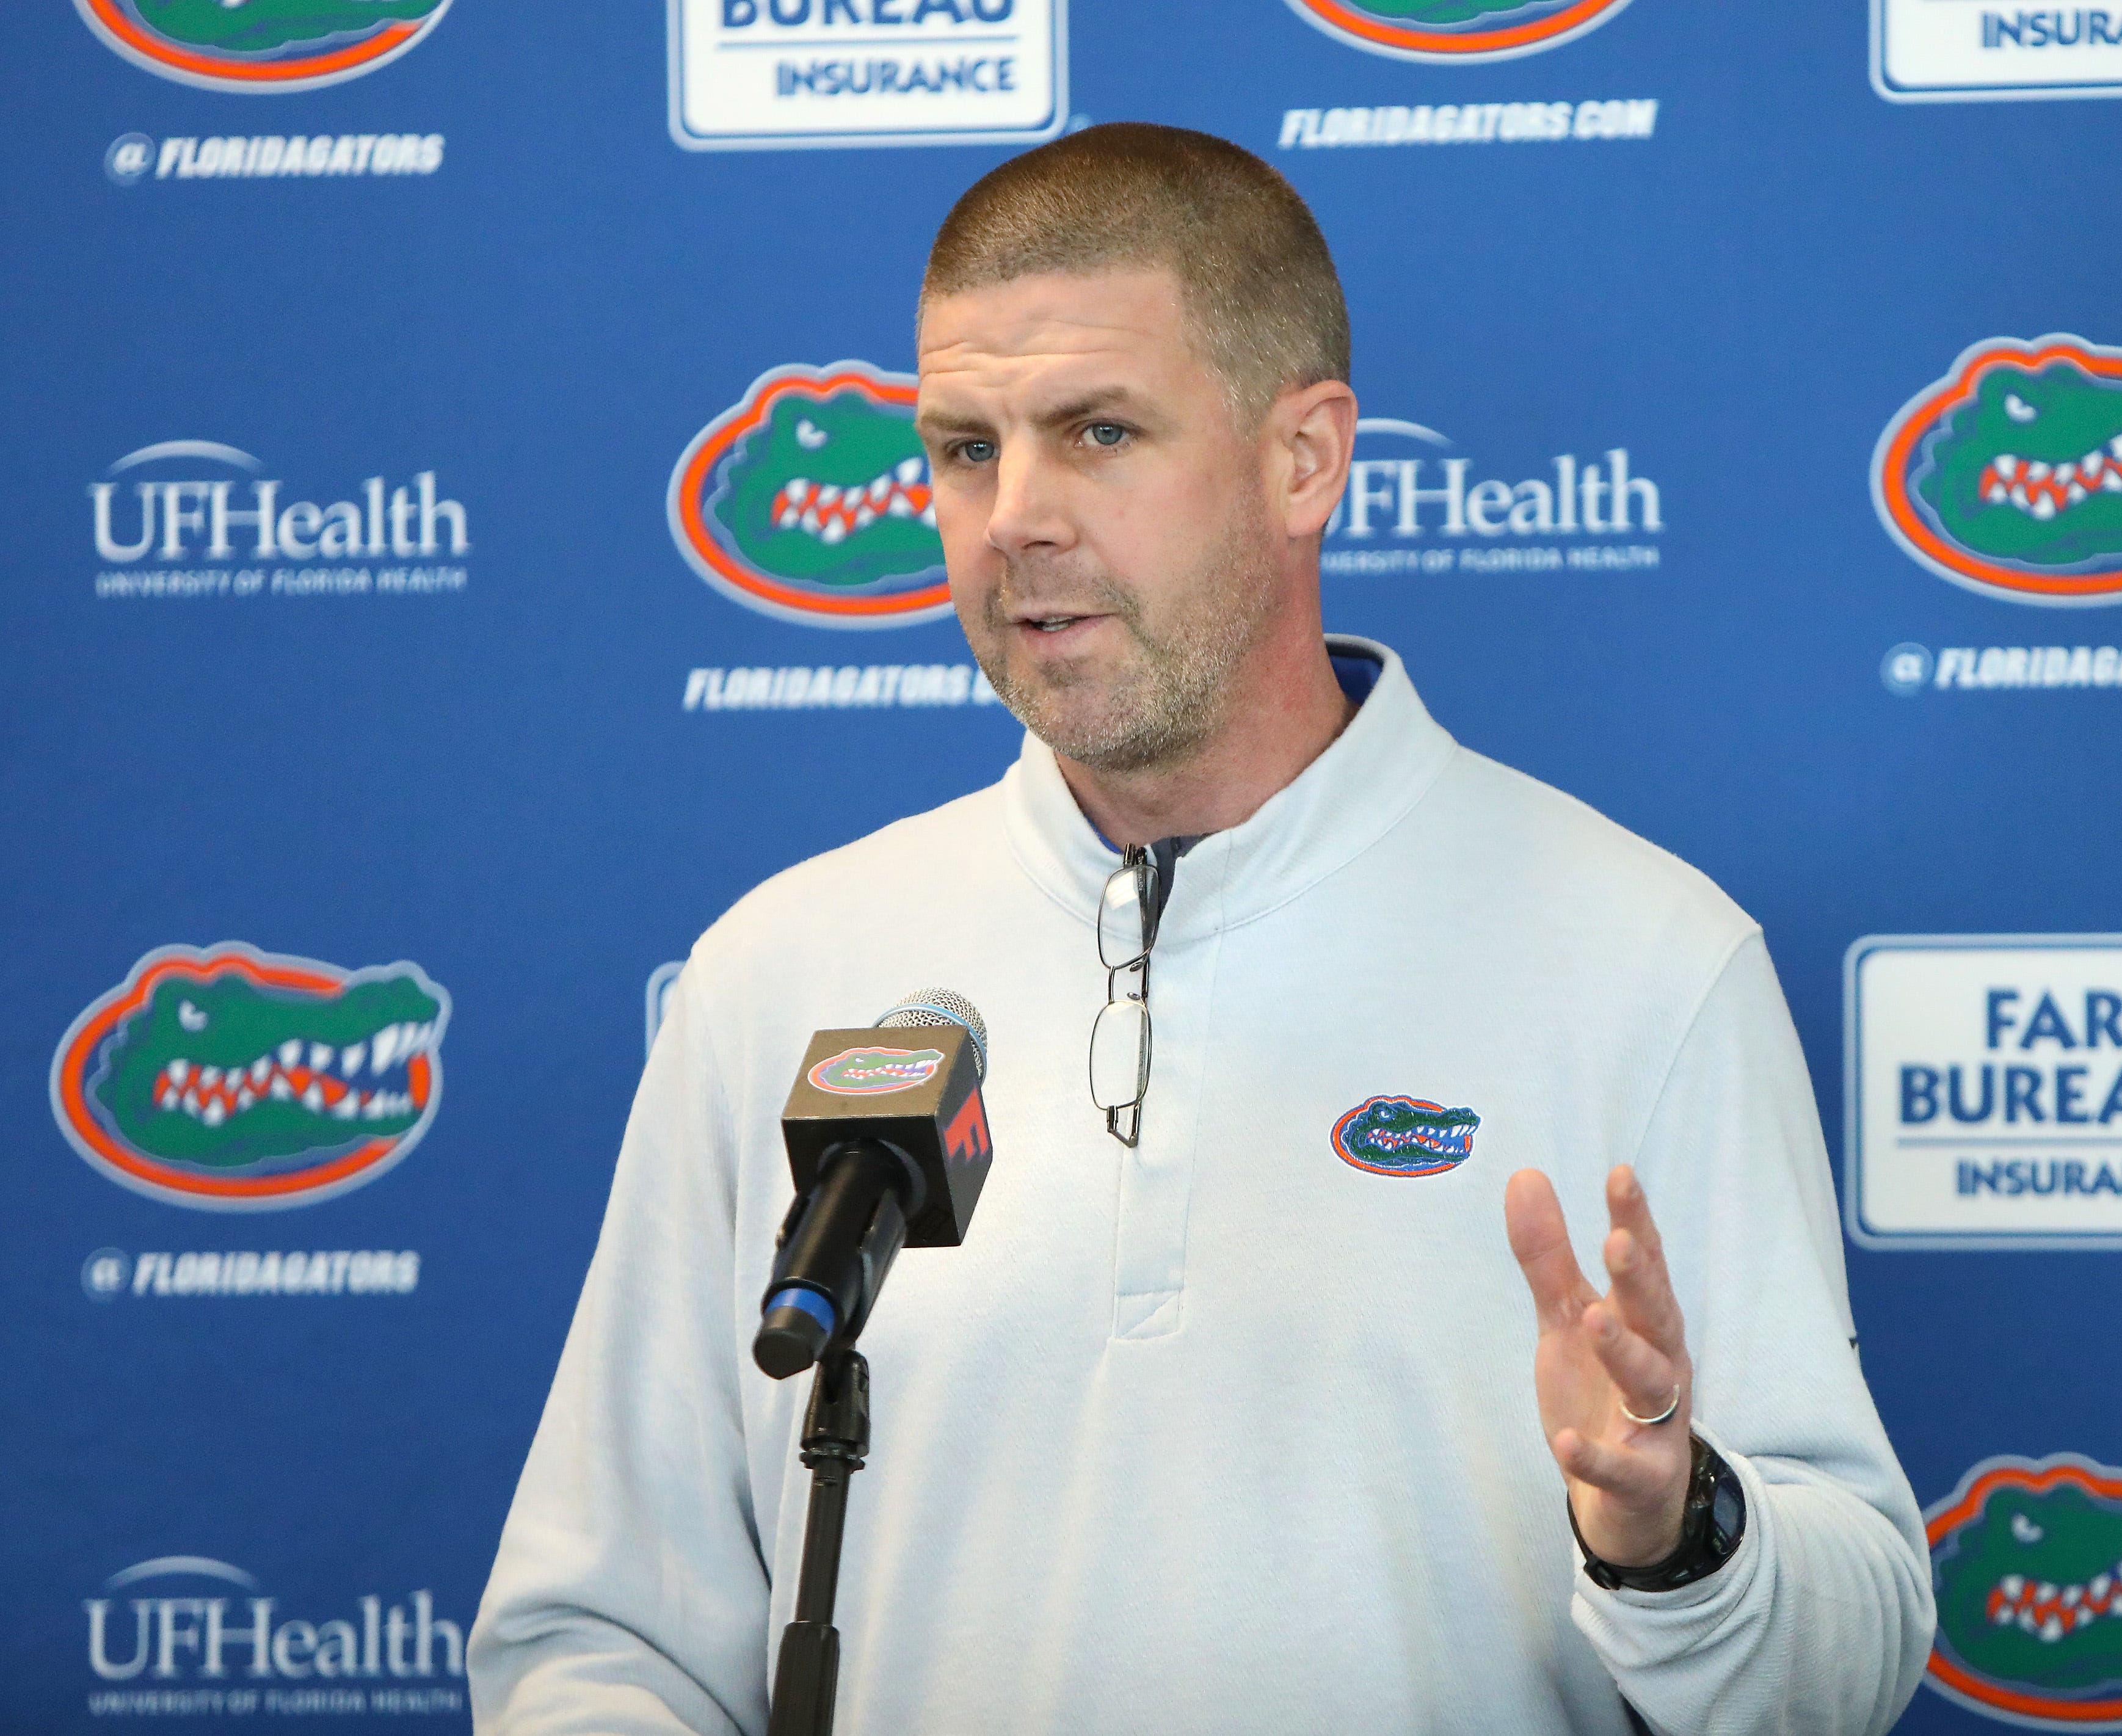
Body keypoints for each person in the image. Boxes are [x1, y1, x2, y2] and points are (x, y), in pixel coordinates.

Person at [469, 123, 1933, 1735]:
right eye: (964, 447)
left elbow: (1853, 1661)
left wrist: (1677, 1532)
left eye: (1098, 431)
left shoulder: (1647, 960)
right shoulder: (783, 969)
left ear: (1304, 459)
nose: (1012, 516)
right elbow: (595, 1637)